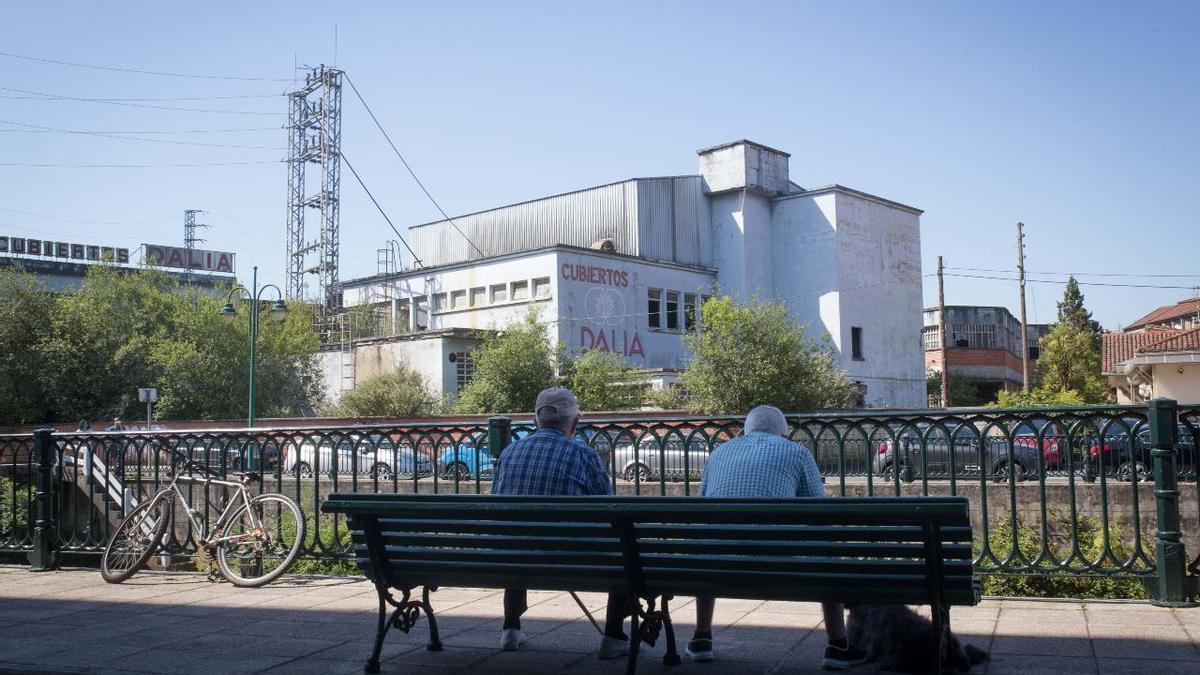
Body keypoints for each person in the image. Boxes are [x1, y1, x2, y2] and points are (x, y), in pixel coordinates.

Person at [686, 405, 869, 671]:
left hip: (716, 566)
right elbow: (819, 515)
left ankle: (701, 637)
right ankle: (838, 645)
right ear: (783, 432)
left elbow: (702, 513)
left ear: (745, 430)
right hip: (781, 566)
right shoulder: (796, 452)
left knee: (709, 541)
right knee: (827, 548)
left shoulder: (718, 453)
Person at [491, 387, 631, 659]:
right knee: (624, 546)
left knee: (517, 532)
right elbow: (609, 508)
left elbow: (499, 505)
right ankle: (613, 636)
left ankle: (511, 628)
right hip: (569, 558)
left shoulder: (509, 453)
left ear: (536, 420)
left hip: (509, 557)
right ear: (575, 423)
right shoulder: (583, 455)